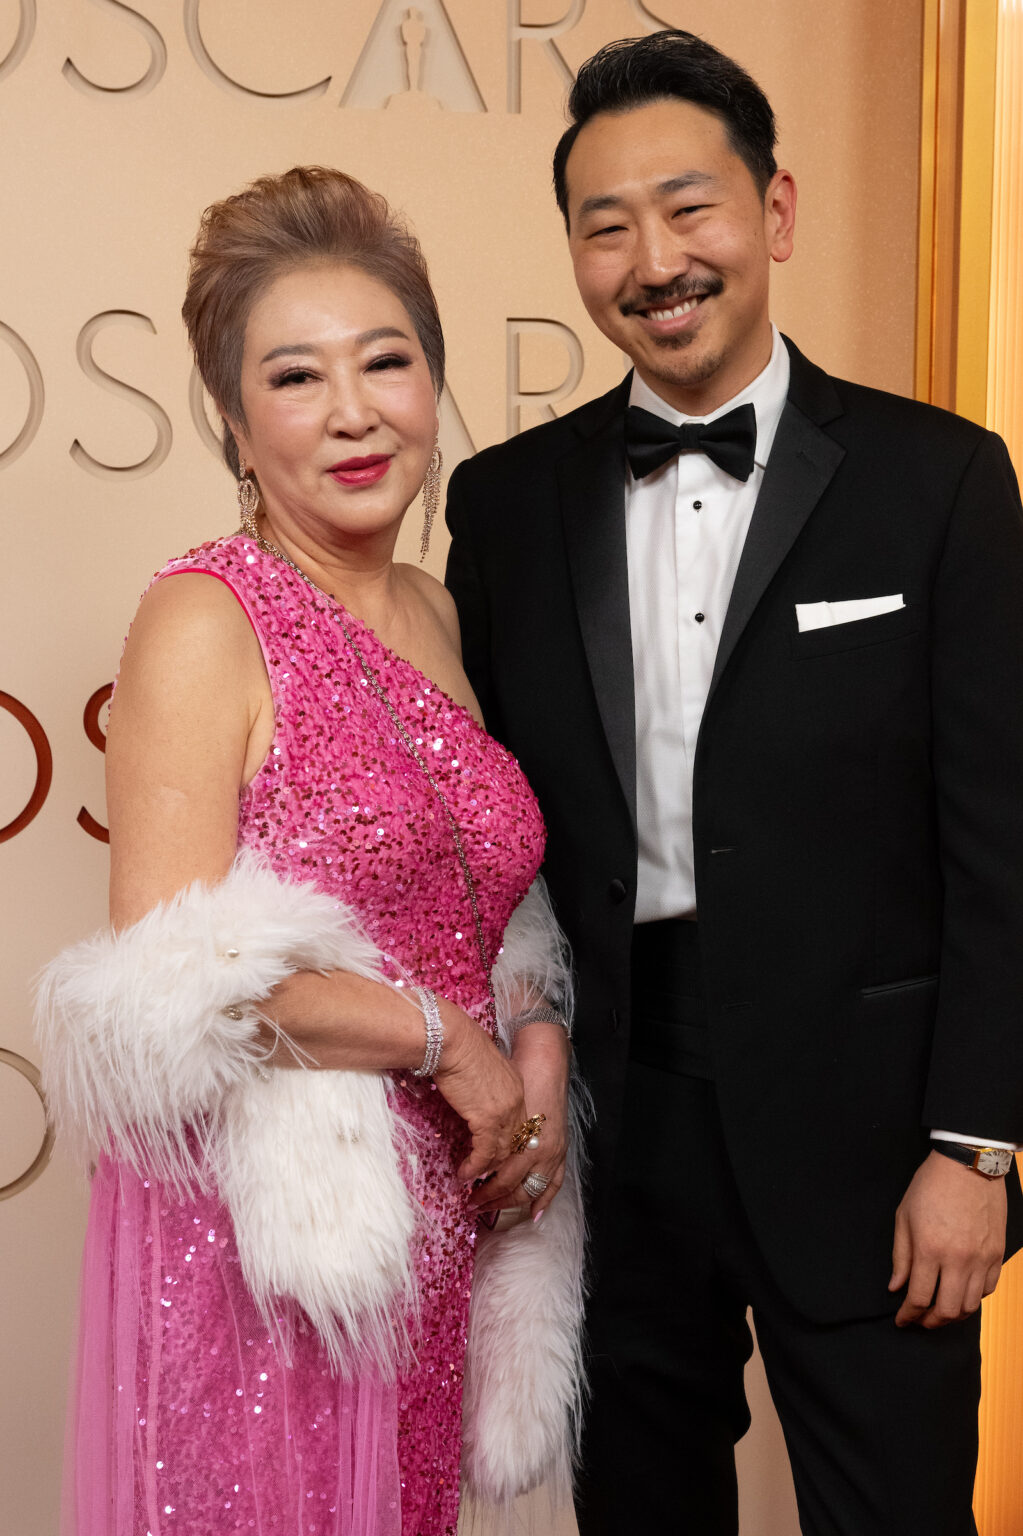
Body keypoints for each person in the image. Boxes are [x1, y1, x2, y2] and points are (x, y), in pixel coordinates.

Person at [444, 31, 1023, 1536]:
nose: (654, 258)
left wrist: (978, 1145)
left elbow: (1002, 840)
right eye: (606, 223)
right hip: (617, 1128)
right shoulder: (505, 506)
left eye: (688, 207)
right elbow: (487, 830)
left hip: (879, 1139)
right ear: (573, 251)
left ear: (774, 212)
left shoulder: (942, 481)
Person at [36, 166, 585, 1536]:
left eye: (386, 362)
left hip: (433, 1232)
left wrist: (534, 1040)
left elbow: (484, 895)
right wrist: (445, 1046)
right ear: (230, 417)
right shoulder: (204, 620)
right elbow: (172, 979)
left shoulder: (439, 612)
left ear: (433, 383)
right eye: (295, 377)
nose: (354, 412)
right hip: (263, 1254)